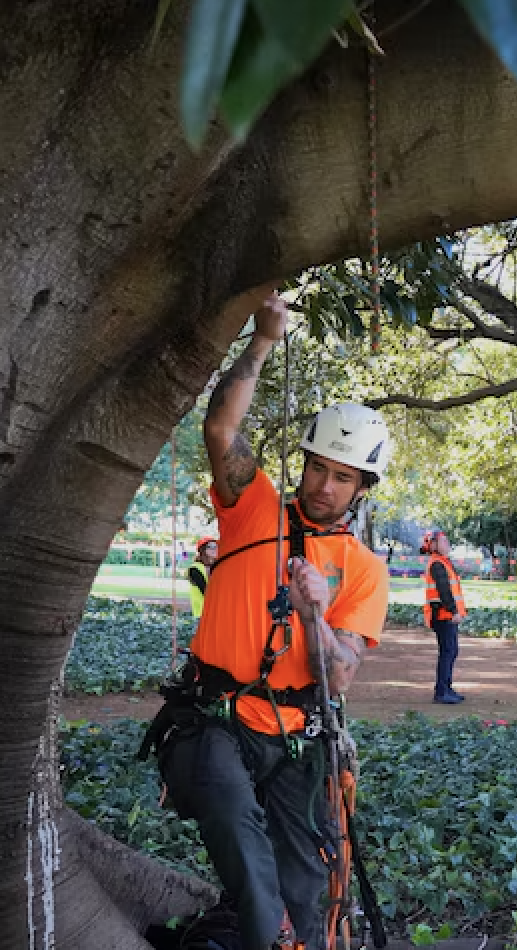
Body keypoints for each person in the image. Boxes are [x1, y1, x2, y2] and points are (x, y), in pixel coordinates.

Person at [147, 291, 391, 950]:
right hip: (213, 720)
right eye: (317, 467)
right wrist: (262, 341)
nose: (324, 486)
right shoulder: (253, 508)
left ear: (362, 488)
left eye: (343, 478)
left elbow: (335, 677)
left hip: (296, 741)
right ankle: (253, 931)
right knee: (257, 883)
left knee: (304, 898)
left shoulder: (364, 570)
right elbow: (221, 431)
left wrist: (314, 611)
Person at [421, 529, 467, 704]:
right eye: (443, 542)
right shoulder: (437, 564)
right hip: (443, 615)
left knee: (451, 651)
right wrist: (454, 611)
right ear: (433, 545)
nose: (447, 544)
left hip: (445, 615)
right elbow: (444, 591)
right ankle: (441, 691)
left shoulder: (442, 562)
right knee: (448, 652)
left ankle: (446, 687)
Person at [185, 536, 218, 619]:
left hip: (216, 612)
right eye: (210, 546)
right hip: (202, 614)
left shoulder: (218, 566)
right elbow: (206, 591)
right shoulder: (195, 569)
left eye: (216, 546)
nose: (214, 549)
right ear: (203, 550)